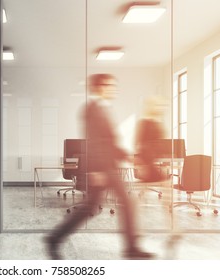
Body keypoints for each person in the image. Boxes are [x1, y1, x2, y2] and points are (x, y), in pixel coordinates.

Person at [44, 73, 154, 260]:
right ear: (99, 87)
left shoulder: (103, 108)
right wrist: (96, 170)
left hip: (108, 165)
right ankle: (131, 248)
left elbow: (109, 141)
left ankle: (55, 238)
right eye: (110, 85)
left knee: (90, 207)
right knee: (123, 202)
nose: (114, 89)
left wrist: (130, 158)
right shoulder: (92, 109)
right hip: (104, 167)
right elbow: (93, 143)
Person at [134, 95, 169, 182]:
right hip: (147, 159)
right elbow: (139, 143)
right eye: (159, 106)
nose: (162, 109)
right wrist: (142, 164)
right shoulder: (145, 122)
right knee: (161, 178)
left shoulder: (158, 122)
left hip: (155, 158)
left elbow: (162, 142)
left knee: (163, 177)